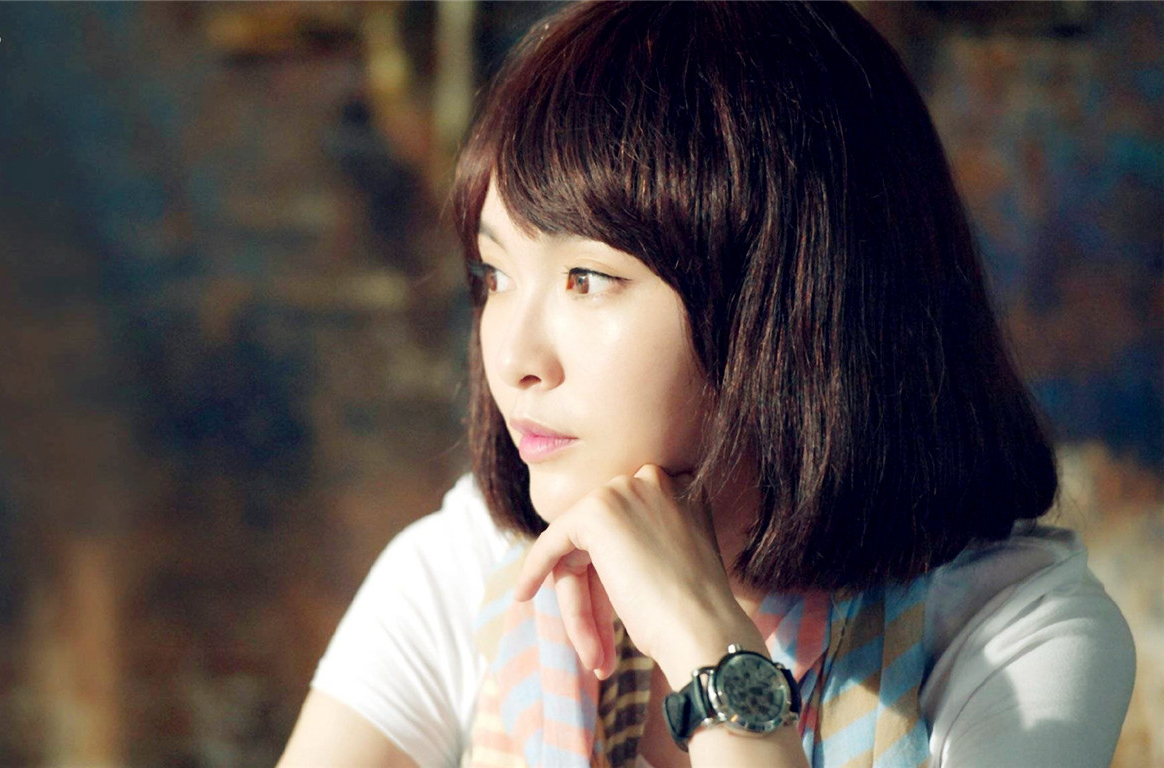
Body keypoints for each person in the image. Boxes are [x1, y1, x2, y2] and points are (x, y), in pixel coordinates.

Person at [277, 2, 1136, 767]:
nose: (514, 359)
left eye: (587, 279)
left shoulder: (1014, 641)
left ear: (793, 304)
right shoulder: (472, 567)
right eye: (496, 273)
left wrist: (709, 650)